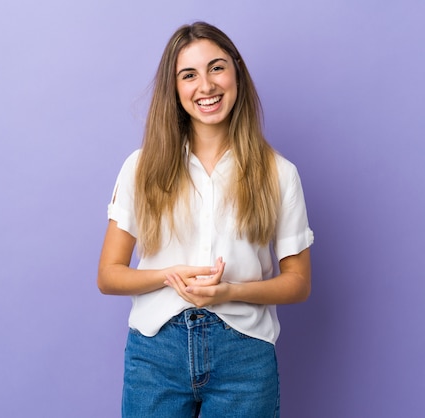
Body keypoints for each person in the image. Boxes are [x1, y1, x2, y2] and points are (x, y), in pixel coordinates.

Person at [98, 21, 314, 417]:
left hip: (244, 355)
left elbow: (298, 283)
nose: (206, 86)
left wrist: (229, 291)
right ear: (175, 88)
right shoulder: (141, 167)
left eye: (216, 68)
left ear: (236, 71)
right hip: (156, 355)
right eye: (189, 75)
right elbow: (109, 275)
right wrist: (170, 276)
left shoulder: (279, 173)